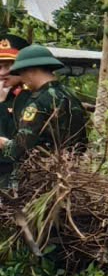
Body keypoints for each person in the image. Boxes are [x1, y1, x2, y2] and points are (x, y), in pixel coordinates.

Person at [0, 44, 85, 186]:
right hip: (69, 175)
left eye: (21, 73)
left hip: (40, 178)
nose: (22, 78)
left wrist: (4, 143)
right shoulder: (69, 95)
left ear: (32, 71)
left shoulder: (38, 102)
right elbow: (81, 142)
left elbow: (19, 148)